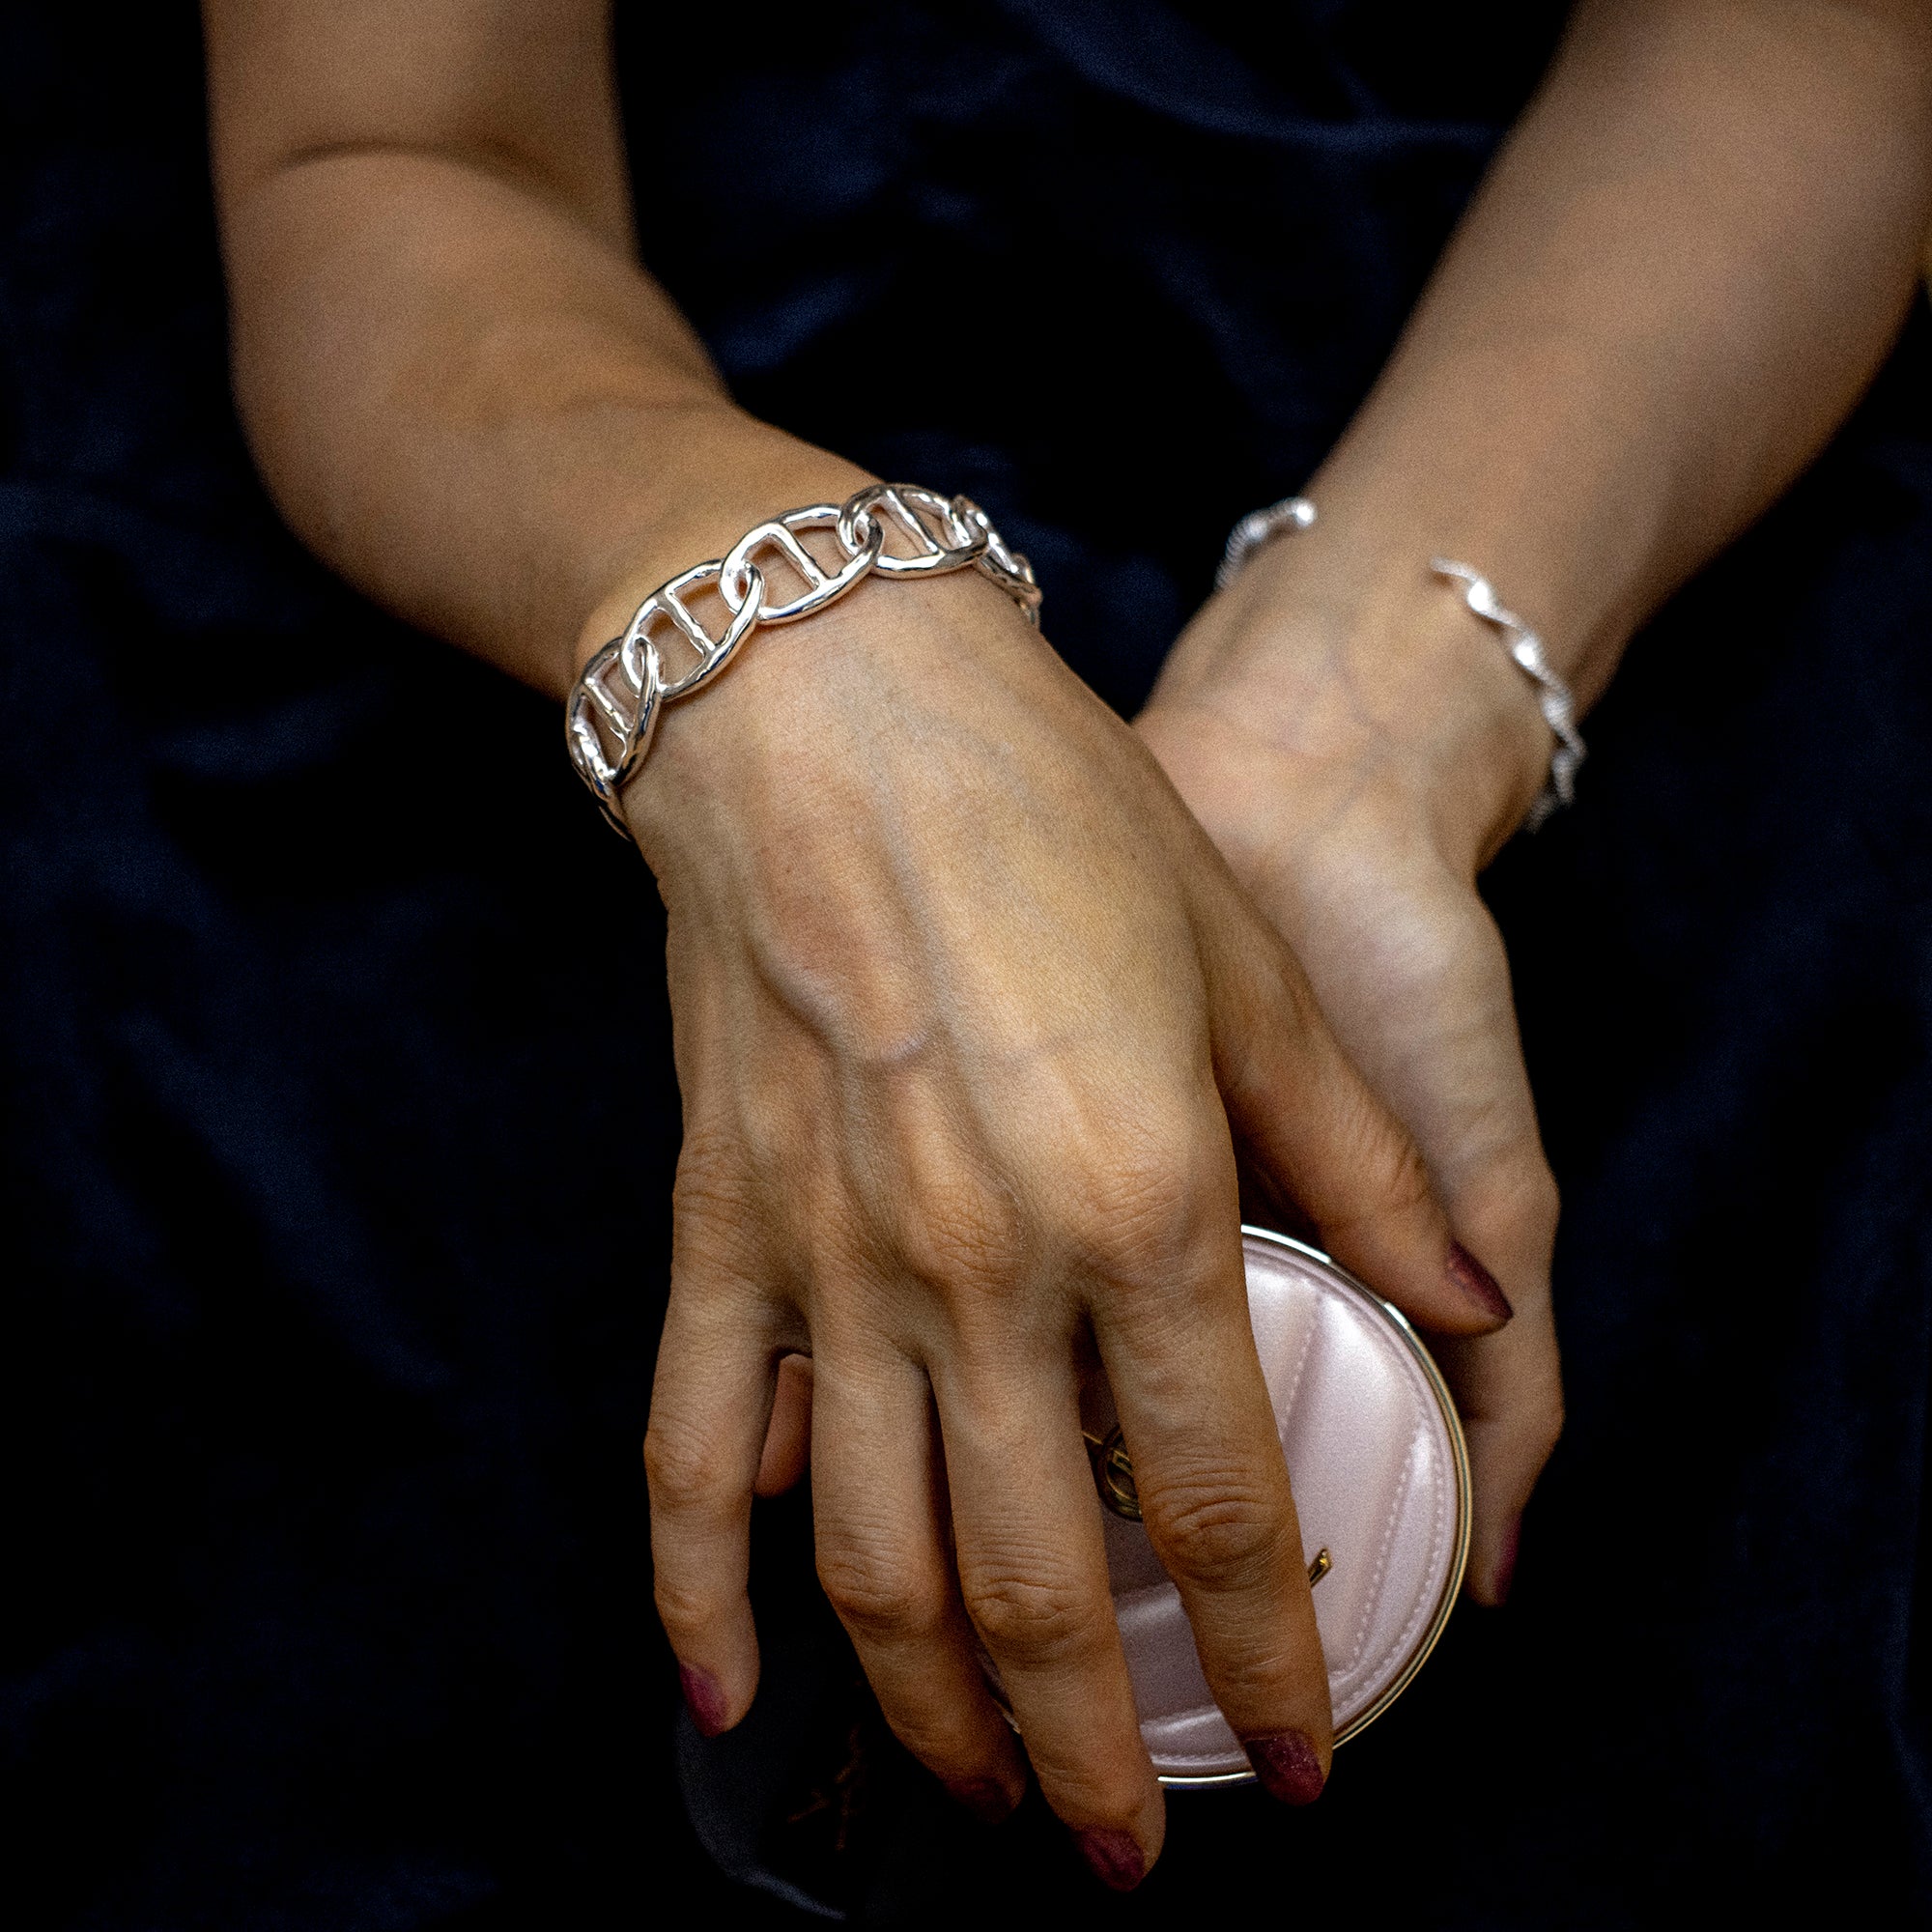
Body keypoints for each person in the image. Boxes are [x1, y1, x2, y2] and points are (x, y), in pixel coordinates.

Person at [14, 0, 1925, 1920]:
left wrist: (1363, 724)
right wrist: (791, 658)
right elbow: (391, 154)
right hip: (517, 533)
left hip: (1597, 468)